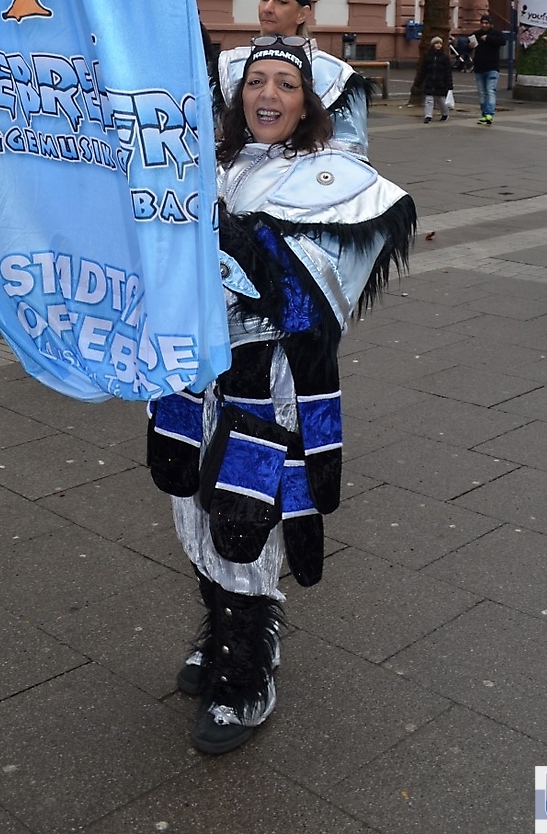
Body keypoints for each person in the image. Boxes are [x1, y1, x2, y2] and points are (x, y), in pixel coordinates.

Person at [147, 37, 415, 754]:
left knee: (244, 522)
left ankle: (246, 675)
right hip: (190, 379)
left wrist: (233, 238)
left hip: (263, 386)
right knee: (191, 509)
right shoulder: (211, 162)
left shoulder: (339, 180)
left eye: (285, 85)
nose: (267, 95)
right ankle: (224, 634)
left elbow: (312, 303)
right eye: (255, 82)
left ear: (308, 104)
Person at [216, 0, 371, 156]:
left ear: (302, 14)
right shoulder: (229, 65)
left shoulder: (337, 76)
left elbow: (351, 152)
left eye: (281, 1)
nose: (268, 8)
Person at [471, 12, 506, 126]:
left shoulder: (496, 34)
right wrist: (469, 46)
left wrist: (489, 38)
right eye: (482, 23)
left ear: (491, 24)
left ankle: (489, 114)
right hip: (479, 67)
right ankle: (484, 114)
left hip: (492, 67)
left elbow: (502, 41)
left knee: (490, 90)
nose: (484, 25)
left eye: (487, 23)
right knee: (482, 92)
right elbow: (468, 45)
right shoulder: (476, 34)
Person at [415, 35, 453, 122]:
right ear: (433, 45)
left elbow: (448, 72)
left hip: (441, 82)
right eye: (436, 43)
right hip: (430, 81)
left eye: (440, 43)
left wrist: (449, 84)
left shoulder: (444, 57)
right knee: (429, 99)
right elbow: (423, 70)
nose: (438, 45)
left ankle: (445, 113)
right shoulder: (428, 56)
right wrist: (418, 82)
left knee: (441, 100)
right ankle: (428, 115)